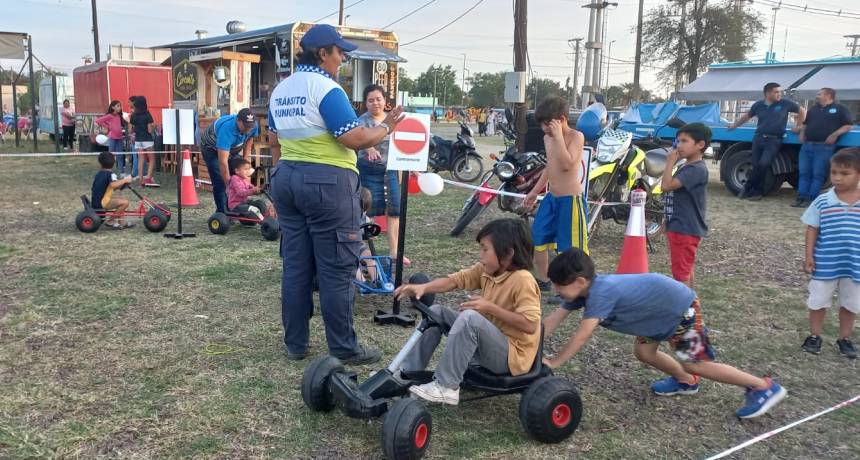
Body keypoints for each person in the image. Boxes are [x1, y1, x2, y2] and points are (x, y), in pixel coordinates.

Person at [267, 24, 405, 364]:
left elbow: (273, 142)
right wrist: (388, 127)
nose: (343, 58)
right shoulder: (327, 89)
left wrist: (286, 172)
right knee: (336, 269)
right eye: (340, 52)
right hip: (328, 184)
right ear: (322, 53)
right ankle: (344, 348)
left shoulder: (280, 90)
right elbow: (355, 139)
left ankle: (295, 344)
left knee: (296, 267)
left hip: (286, 178)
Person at [543, 248, 787, 419]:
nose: (556, 289)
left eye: (559, 285)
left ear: (580, 281)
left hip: (681, 309)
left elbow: (582, 336)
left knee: (696, 364)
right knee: (645, 352)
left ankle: (762, 386)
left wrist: (554, 362)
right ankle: (685, 382)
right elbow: (553, 320)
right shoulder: (581, 293)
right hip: (654, 315)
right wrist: (528, 343)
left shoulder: (600, 293)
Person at [392, 219, 541, 405]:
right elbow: (456, 280)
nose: (480, 255)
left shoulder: (523, 280)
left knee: (470, 317)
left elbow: (531, 325)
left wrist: (489, 307)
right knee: (436, 311)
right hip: (488, 346)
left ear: (509, 253)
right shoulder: (487, 271)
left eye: (485, 249)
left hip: (511, 359)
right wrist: (423, 287)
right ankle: (409, 372)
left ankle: (447, 387)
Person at [522, 96, 587, 304]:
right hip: (552, 198)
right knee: (538, 237)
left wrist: (559, 137)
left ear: (560, 120)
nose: (543, 129)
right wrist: (535, 190)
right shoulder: (547, 138)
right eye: (541, 124)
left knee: (570, 248)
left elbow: (568, 164)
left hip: (571, 200)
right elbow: (551, 166)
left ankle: (572, 287)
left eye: (546, 124)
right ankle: (544, 279)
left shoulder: (576, 137)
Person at [800, 147, 860, 359]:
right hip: (825, 262)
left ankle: (844, 338)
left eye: (845, 173)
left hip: (855, 266)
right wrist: (809, 256)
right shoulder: (823, 201)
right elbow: (812, 229)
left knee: (850, 304)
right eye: (834, 172)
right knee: (818, 300)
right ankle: (815, 336)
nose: (837, 178)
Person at [356, 84, 411, 265]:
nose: (375, 103)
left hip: (390, 171)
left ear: (385, 101)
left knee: (394, 210)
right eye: (370, 100)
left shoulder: (392, 119)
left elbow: (404, 143)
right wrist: (369, 148)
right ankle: (361, 249)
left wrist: (413, 163)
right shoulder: (362, 120)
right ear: (366, 103)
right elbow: (360, 138)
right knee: (364, 208)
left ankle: (394, 252)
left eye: (378, 99)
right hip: (368, 169)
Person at [728, 83, 806, 201]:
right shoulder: (758, 105)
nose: (779, 94)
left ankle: (747, 187)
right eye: (776, 92)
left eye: (780, 91)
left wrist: (799, 125)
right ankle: (757, 192)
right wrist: (735, 125)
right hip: (759, 139)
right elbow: (747, 116)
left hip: (774, 140)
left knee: (764, 164)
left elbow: (802, 111)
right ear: (767, 93)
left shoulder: (785, 104)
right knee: (756, 165)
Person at [661, 123, 710, 289]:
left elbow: (666, 186)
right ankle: (691, 307)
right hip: (680, 225)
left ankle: (684, 310)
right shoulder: (686, 165)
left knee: (681, 274)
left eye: (684, 141)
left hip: (684, 228)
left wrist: (669, 162)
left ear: (700, 145)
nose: (678, 146)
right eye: (677, 141)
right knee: (686, 269)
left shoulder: (695, 169)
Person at [792, 88, 855, 208]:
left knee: (818, 173)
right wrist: (801, 133)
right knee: (804, 172)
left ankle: (812, 198)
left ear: (829, 95)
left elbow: (848, 125)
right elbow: (806, 123)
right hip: (807, 145)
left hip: (824, 147)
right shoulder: (814, 109)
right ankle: (801, 197)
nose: (817, 96)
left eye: (819, 94)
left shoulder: (840, 109)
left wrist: (834, 134)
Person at [200, 108, 259, 214]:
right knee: (220, 182)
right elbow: (223, 162)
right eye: (245, 126)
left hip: (232, 148)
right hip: (211, 148)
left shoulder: (252, 126)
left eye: (250, 126)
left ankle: (239, 208)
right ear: (238, 120)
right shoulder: (226, 130)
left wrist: (245, 162)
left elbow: (249, 139)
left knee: (238, 174)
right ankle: (223, 213)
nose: (248, 129)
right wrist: (228, 186)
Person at [91, 151, 135, 229]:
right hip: (102, 202)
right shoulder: (110, 175)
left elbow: (110, 187)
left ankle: (122, 221)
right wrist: (125, 180)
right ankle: (111, 221)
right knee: (125, 203)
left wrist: (122, 185)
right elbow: (113, 184)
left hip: (97, 200)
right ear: (113, 164)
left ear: (100, 164)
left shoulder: (99, 174)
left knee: (122, 199)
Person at [131, 96, 159, 187]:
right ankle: (148, 179)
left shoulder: (133, 115)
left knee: (141, 160)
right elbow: (150, 130)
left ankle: (141, 181)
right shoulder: (147, 115)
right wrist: (155, 126)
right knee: (151, 159)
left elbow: (130, 130)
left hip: (138, 140)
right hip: (147, 140)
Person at [95, 101, 128, 177]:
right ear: (113, 107)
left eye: (120, 106)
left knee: (120, 155)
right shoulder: (110, 116)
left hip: (119, 137)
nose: (119, 108)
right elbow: (98, 120)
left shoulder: (119, 116)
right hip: (112, 137)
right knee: (111, 155)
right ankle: (109, 171)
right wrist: (107, 126)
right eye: (118, 106)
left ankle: (122, 172)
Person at [356, 187, 378, 284]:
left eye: (364, 211)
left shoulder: (366, 219)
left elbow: (366, 235)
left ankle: (376, 280)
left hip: (360, 249)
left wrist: (370, 236)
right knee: (352, 262)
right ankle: (363, 282)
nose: (362, 213)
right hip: (348, 249)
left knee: (370, 255)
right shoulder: (347, 220)